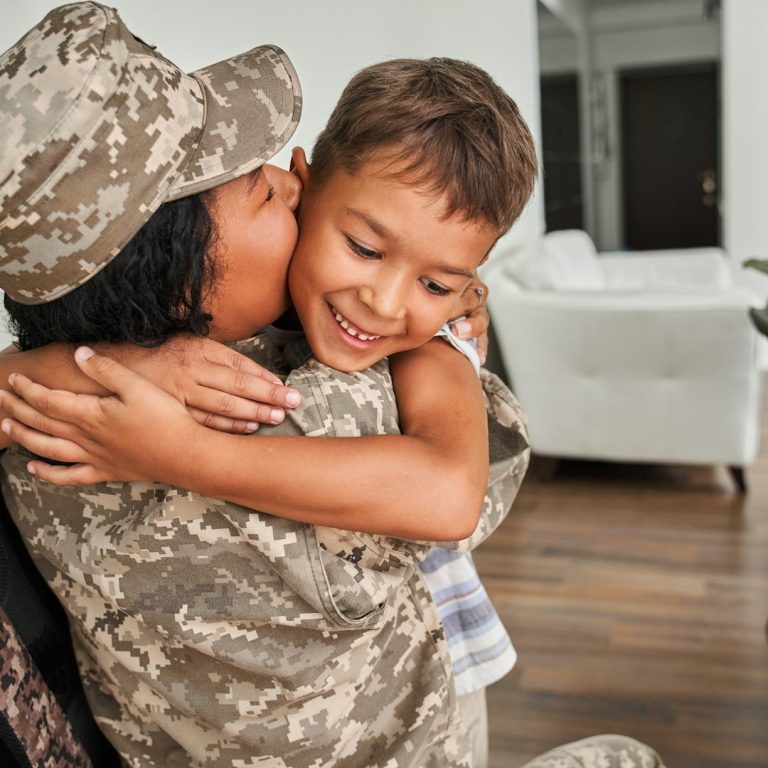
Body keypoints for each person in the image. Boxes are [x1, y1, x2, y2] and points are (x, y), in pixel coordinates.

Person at [0, 5, 667, 768]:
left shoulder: (46, 417)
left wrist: (67, 366)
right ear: (178, 271)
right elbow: (453, 492)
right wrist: (438, 343)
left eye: (439, 282)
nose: (286, 185)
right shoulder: (324, 408)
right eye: (260, 190)